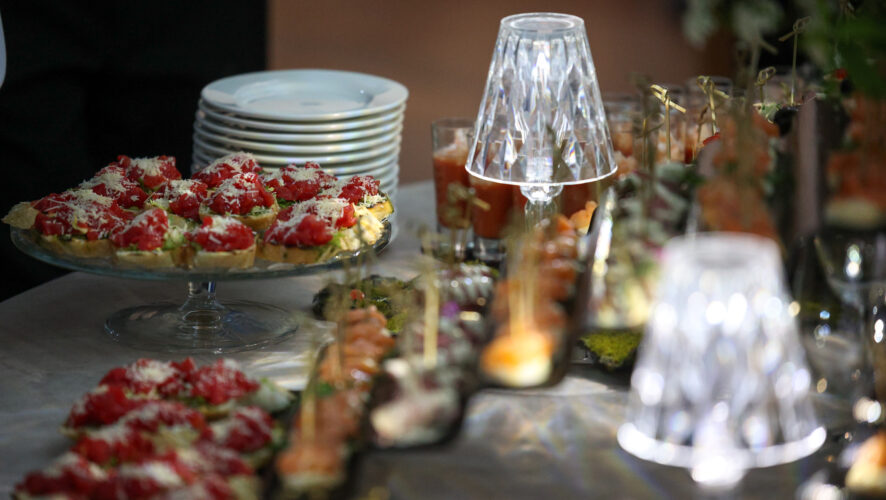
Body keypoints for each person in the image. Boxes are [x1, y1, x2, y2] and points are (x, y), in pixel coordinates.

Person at [0, 1, 266, 300]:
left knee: (193, 179)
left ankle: (197, 308)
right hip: (33, 16)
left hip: (191, 15)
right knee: (37, 190)